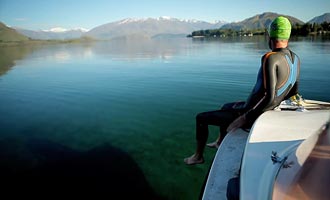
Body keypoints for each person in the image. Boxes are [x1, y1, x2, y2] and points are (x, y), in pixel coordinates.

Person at [184, 16, 300, 165]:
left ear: (270, 35)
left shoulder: (270, 57)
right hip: (263, 108)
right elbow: (293, 93)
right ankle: (219, 141)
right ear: (288, 36)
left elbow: (269, 96)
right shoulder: (295, 58)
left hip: (253, 113)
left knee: (201, 118)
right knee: (226, 106)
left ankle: (197, 157)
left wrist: (244, 118)